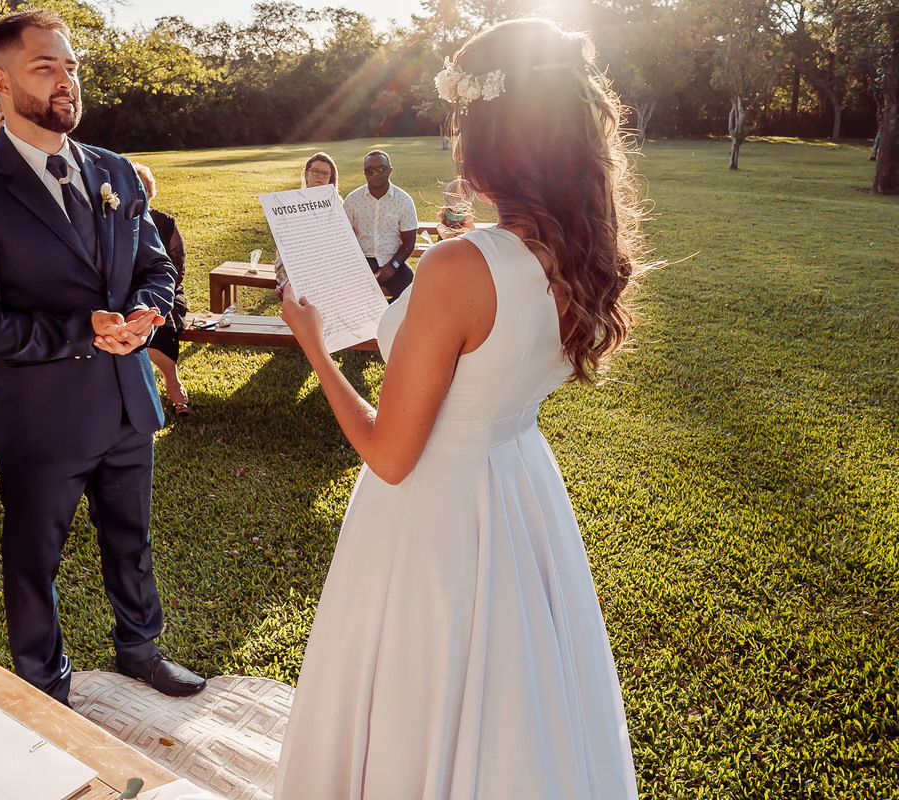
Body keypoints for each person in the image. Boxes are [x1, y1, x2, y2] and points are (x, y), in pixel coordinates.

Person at [275, 17, 649, 799]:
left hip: (432, 517)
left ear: (487, 138)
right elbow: (482, 356)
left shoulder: (458, 265)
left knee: (421, 694)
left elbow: (389, 452)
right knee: (511, 702)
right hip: (516, 489)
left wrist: (312, 341)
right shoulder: (573, 252)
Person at [0, 8, 205, 704]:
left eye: (72, 65)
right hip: (40, 420)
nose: (66, 81)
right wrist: (81, 332)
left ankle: (141, 648)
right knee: (32, 562)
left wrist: (146, 313)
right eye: (45, 67)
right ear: (0, 83)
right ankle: (44, 687)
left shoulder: (115, 172)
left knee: (132, 542)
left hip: (126, 403)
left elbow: (155, 267)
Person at [132, 162, 191, 418]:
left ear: (151, 191)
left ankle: (172, 380)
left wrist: (154, 293)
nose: (139, 191)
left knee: (157, 318)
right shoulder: (115, 222)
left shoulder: (165, 222)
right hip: (126, 296)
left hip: (165, 292)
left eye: (143, 187)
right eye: (134, 186)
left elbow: (177, 271)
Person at [341, 149, 417, 300]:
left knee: (408, 289)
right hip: (363, 261)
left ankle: (389, 321)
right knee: (352, 294)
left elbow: (409, 242)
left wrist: (393, 266)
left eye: (381, 169)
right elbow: (344, 238)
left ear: (390, 170)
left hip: (394, 260)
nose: (376, 174)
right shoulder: (352, 200)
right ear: (364, 173)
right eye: (370, 171)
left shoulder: (403, 200)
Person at [274, 151, 339, 298]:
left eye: (325, 174)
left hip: (325, 261)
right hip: (294, 259)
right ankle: (287, 287)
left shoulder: (338, 205)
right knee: (293, 284)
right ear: (306, 174)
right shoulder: (290, 204)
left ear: (330, 179)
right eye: (316, 172)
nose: (320, 177)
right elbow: (285, 245)